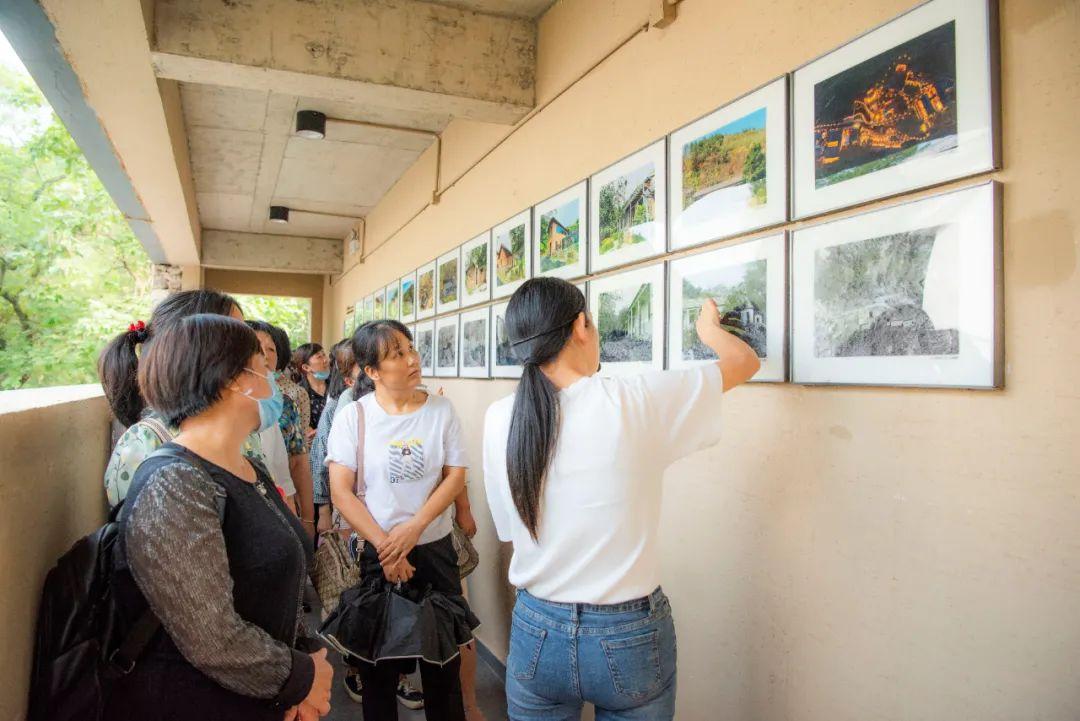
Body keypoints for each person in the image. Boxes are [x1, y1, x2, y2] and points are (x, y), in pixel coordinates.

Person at [482, 278, 760, 721]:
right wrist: (709, 331)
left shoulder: (500, 418)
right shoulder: (634, 399)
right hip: (627, 633)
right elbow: (743, 362)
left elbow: (510, 529)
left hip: (536, 627)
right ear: (580, 326)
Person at [104, 314, 334, 721]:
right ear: (233, 380)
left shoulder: (247, 467)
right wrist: (302, 678)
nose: (275, 383)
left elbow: (276, 584)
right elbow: (212, 637)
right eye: (264, 367)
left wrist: (306, 655)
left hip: (264, 698)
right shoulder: (175, 483)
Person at [325, 320, 477, 721]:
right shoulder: (354, 416)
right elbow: (342, 490)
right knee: (380, 667)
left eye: (411, 348)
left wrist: (413, 529)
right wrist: (386, 546)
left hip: (433, 548)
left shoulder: (440, 409)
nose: (412, 359)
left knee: (443, 663)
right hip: (380, 554)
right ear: (371, 371)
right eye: (397, 354)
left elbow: (454, 475)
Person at [99, 289, 266, 509]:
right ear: (192, 349)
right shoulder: (145, 444)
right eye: (236, 336)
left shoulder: (243, 432)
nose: (251, 350)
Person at [293, 342, 331, 434]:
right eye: (319, 357)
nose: (326, 360)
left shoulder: (335, 386)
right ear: (306, 367)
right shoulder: (299, 393)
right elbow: (306, 429)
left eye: (324, 355)